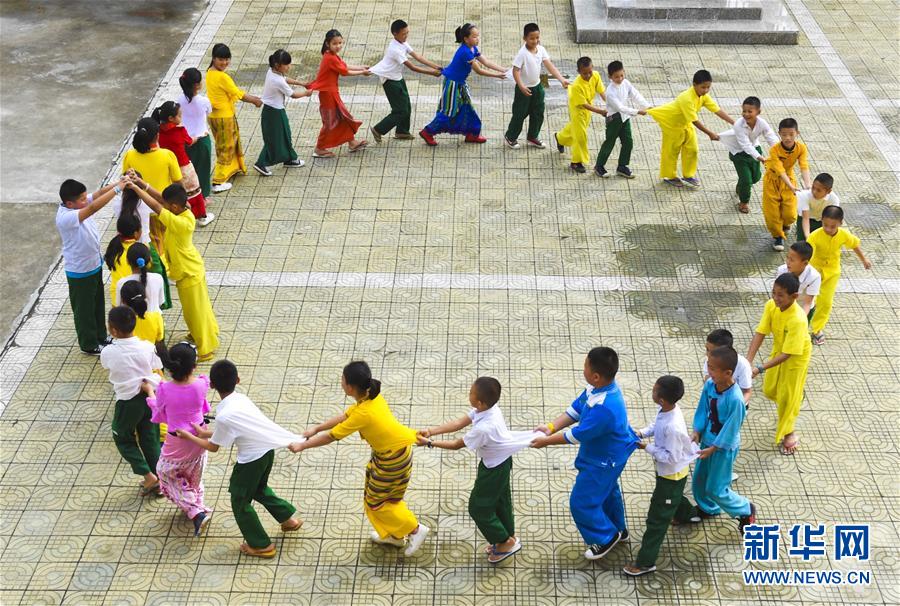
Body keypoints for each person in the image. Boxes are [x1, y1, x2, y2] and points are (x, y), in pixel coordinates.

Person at [294, 361, 430, 556]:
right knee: (388, 498)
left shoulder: (364, 413)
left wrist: (302, 445)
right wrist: (315, 428)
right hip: (397, 455)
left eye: (342, 379)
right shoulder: (371, 398)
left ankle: (414, 529)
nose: (340, 381)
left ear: (349, 387)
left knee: (376, 503)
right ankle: (394, 536)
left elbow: (332, 436)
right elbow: (345, 416)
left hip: (391, 462)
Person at [175, 360, 304, 558]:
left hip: (251, 461)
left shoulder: (225, 414)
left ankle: (261, 545)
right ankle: (288, 519)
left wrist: (189, 436)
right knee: (259, 489)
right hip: (267, 453)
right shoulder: (241, 399)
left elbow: (214, 447)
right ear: (237, 379)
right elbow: (232, 430)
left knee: (239, 500)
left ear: (213, 385)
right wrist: (205, 432)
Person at [531, 347, 639, 560]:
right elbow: (576, 410)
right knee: (607, 492)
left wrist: (546, 442)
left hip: (604, 461)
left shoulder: (604, 408)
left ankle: (605, 537)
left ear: (596, 376)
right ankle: (619, 529)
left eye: (585, 366)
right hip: (607, 456)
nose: (583, 369)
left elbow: (576, 434)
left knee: (582, 502)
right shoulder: (596, 390)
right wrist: (551, 427)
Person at [417, 377, 537, 563]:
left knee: (478, 507)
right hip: (501, 462)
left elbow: (457, 444)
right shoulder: (490, 409)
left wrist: (430, 443)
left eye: (471, 392)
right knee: (500, 501)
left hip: (493, 470)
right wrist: (431, 431)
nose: (469, 394)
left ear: (480, 402)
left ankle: (504, 542)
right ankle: (507, 537)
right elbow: (458, 423)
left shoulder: (483, 429)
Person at [127, 180, 219, 360]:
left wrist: (136, 188)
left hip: (188, 271)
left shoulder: (181, 223)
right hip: (189, 269)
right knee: (196, 308)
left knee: (196, 311)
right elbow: (161, 200)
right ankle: (200, 334)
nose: (164, 206)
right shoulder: (181, 211)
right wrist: (142, 184)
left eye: (168, 205)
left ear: (174, 207)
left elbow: (156, 204)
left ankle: (205, 348)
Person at [623, 376, 701, 577]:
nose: (652, 390)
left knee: (657, 519)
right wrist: (641, 433)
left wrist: (646, 447)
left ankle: (645, 562)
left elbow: (671, 457)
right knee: (673, 499)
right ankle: (688, 514)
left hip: (671, 475)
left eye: (655, 389)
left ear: (662, 399)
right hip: (670, 474)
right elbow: (655, 426)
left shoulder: (673, 427)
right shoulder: (667, 410)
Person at [144, 342, 214, 535]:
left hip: (177, 441)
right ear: (194, 365)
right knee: (193, 472)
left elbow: (160, 410)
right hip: (200, 436)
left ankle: (196, 512)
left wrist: (150, 393)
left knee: (165, 474)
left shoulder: (165, 388)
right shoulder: (202, 383)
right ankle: (197, 504)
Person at [691, 347, 756, 534]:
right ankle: (708, 508)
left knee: (716, 488)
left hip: (723, 448)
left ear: (728, 373)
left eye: (712, 368)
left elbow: (731, 428)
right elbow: (703, 409)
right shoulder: (710, 385)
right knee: (700, 479)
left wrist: (714, 447)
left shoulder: (735, 399)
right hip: (708, 441)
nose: (708, 372)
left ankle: (745, 509)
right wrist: (697, 430)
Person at [56, 177, 124, 354]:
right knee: (84, 310)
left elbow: (99, 193)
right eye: (82, 199)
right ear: (69, 203)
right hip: (80, 271)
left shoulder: (78, 205)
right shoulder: (66, 217)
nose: (86, 200)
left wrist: (119, 182)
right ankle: (89, 344)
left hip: (93, 265)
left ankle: (101, 336)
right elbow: (93, 207)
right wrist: (118, 190)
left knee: (97, 304)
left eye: (86, 197)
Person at [746, 273, 811, 454]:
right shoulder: (771, 306)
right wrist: (748, 361)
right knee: (769, 389)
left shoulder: (798, 319)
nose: (776, 298)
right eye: (774, 293)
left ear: (794, 296)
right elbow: (761, 332)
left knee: (786, 398)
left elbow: (788, 354)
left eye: (780, 295)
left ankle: (789, 433)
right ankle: (795, 398)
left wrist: (759, 369)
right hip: (779, 351)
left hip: (795, 358)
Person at [100, 306, 163, 496]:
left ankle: (147, 475)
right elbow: (156, 367)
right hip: (149, 396)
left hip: (127, 401)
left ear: (113, 330)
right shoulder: (147, 347)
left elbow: (107, 366)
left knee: (122, 437)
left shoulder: (109, 352)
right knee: (150, 438)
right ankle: (160, 480)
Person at [419, 23, 507, 146]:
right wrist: (497, 76)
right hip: (452, 85)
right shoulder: (465, 52)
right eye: (475, 37)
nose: (478, 39)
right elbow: (479, 71)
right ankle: (427, 132)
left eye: (478, 36)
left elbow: (486, 62)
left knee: (467, 107)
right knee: (448, 112)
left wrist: (504, 70)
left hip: (460, 84)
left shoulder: (472, 48)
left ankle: (472, 134)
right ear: (466, 39)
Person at [647, 69, 734, 188]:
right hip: (672, 124)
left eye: (708, 87)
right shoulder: (686, 98)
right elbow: (695, 121)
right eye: (703, 87)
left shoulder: (703, 96)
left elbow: (716, 110)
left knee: (692, 149)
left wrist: (734, 123)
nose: (706, 90)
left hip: (685, 123)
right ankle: (669, 176)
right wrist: (710, 133)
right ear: (694, 85)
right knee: (671, 150)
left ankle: (688, 175)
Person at [806, 205, 872, 345]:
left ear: (840, 223)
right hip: (813, 272)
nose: (829, 229)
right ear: (821, 220)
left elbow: (854, 245)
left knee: (826, 302)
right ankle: (799, 326)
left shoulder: (844, 234)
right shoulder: (815, 236)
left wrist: (864, 259)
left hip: (832, 272)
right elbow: (806, 254)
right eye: (825, 225)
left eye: (833, 226)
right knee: (808, 300)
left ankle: (817, 329)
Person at [369, 19, 442, 143]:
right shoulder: (395, 49)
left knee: (406, 105)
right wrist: (432, 73)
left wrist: (436, 66)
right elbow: (413, 67)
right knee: (400, 110)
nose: (406, 36)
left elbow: (418, 57)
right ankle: (378, 129)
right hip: (390, 81)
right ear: (395, 34)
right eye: (404, 34)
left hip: (397, 78)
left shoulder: (403, 43)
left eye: (407, 33)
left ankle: (402, 131)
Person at [304, 30, 371, 158]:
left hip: (331, 93)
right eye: (335, 43)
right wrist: (362, 72)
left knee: (342, 117)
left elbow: (344, 66)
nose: (338, 46)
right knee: (330, 121)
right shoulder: (330, 58)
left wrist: (362, 67)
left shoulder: (331, 55)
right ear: (328, 44)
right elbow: (345, 72)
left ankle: (352, 142)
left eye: (340, 43)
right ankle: (319, 148)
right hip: (328, 94)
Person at [206, 43, 263, 193]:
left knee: (225, 144)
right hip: (224, 117)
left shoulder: (209, 73)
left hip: (214, 117)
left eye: (227, 59)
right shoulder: (222, 77)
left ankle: (232, 168)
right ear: (213, 59)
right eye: (221, 60)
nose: (224, 63)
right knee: (227, 146)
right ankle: (218, 180)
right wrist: (255, 100)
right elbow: (238, 93)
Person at [503, 22, 568, 150]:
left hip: (537, 86)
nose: (535, 40)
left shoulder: (541, 49)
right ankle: (511, 136)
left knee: (538, 112)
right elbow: (515, 70)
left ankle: (533, 136)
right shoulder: (522, 53)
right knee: (519, 114)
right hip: (524, 89)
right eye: (532, 38)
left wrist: (561, 79)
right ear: (525, 38)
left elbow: (549, 65)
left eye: (537, 38)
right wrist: (521, 86)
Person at [113, 174, 172, 309]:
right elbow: (163, 202)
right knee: (156, 273)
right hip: (144, 246)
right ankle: (156, 305)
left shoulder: (117, 203)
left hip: (124, 246)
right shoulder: (144, 203)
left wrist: (119, 185)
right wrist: (142, 185)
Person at [152, 101, 214, 226]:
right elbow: (190, 141)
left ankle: (178, 216)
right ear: (171, 118)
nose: (181, 118)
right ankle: (201, 216)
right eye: (179, 116)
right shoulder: (179, 130)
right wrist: (201, 136)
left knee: (177, 193)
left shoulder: (158, 131)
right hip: (183, 166)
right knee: (194, 190)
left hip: (168, 168)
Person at [253, 49, 313, 176]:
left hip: (274, 111)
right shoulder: (277, 80)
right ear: (277, 65)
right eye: (286, 65)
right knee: (274, 139)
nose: (289, 67)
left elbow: (285, 79)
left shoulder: (272, 72)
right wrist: (306, 93)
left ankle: (289, 158)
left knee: (285, 134)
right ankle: (261, 163)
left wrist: (301, 83)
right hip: (274, 113)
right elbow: (293, 94)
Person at [717, 96, 778, 214]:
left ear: (758, 112)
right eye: (744, 111)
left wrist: (779, 150)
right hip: (739, 154)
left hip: (755, 149)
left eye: (750, 111)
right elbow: (745, 145)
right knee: (747, 180)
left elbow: (771, 137)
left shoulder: (762, 123)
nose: (746, 114)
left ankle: (740, 186)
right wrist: (760, 157)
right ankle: (743, 202)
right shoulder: (738, 125)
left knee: (755, 178)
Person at [761, 118, 811, 251]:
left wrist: (808, 184)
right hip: (772, 180)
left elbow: (804, 166)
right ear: (779, 134)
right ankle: (778, 236)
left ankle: (786, 225)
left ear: (797, 133)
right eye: (784, 134)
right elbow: (780, 170)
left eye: (791, 134)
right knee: (772, 212)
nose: (787, 138)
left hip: (789, 178)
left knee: (790, 213)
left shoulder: (801, 148)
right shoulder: (774, 150)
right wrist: (791, 186)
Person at [594, 60, 649, 179]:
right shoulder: (610, 92)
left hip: (625, 118)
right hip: (614, 119)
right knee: (609, 143)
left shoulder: (626, 83)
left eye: (621, 75)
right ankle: (599, 166)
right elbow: (620, 107)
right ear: (610, 77)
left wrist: (646, 105)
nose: (620, 78)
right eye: (616, 76)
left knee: (628, 142)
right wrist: (638, 111)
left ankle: (622, 166)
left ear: (624, 72)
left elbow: (635, 95)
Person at [554, 56, 606, 173]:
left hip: (587, 109)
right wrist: (601, 111)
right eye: (584, 73)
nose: (588, 75)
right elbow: (584, 105)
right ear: (578, 72)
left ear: (593, 68)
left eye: (589, 72)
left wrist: (610, 103)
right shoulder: (577, 85)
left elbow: (602, 91)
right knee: (580, 137)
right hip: (578, 111)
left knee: (575, 130)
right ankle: (576, 162)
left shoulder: (595, 75)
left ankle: (560, 138)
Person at [177, 68, 213, 199]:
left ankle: (189, 195)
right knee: (203, 169)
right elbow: (209, 113)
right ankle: (203, 196)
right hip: (202, 139)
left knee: (188, 170)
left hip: (185, 140)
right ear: (197, 85)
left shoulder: (179, 100)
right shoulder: (204, 101)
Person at [702, 329, 753, 406]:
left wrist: (736, 407)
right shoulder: (711, 359)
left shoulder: (743, 365)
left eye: (710, 351)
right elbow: (708, 380)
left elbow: (747, 392)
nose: (707, 354)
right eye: (707, 349)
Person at [775, 241, 821, 318]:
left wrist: (800, 320)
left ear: (805, 263)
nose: (787, 262)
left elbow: (807, 303)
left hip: (803, 310)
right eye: (787, 257)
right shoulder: (782, 270)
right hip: (784, 306)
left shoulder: (814, 277)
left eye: (792, 260)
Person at [104, 213, 142, 304]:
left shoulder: (114, 246)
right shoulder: (140, 249)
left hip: (117, 295)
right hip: (135, 295)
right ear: (136, 233)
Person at [120, 280, 164, 353]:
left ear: (123, 301)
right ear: (144, 297)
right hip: (150, 356)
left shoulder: (121, 321)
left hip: (129, 358)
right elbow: (159, 338)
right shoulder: (156, 316)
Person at [797, 173, 840, 240]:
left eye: (818, 190)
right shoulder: (804, 195)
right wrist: (807, 236)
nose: (814, 192)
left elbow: (833, 219)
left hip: (822, 221)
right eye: (813, 187)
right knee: (801, 243)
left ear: (828, 191)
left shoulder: (834, 200)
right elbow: (805, 218)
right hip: (804, 218)